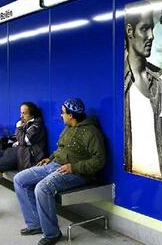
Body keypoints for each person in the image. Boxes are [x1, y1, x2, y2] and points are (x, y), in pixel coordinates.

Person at [13, 98, 105, 245]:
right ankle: (35, 224)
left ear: (71, 115)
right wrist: (50, 158)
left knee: (42, 188)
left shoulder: (91, 132)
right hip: (54, 165)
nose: (61, 115)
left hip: (77, 173)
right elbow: (61, 149)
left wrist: (73, 167)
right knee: (19, 179)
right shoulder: (68, 128)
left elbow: (99, 161)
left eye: (63, 113)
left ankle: (52, 233)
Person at [124, 3, 162, 185]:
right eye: (144, 28)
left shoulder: (161, 79)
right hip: (132, 179)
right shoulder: (119, 82)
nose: (151, 36)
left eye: (152, 28)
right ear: (130, 31)